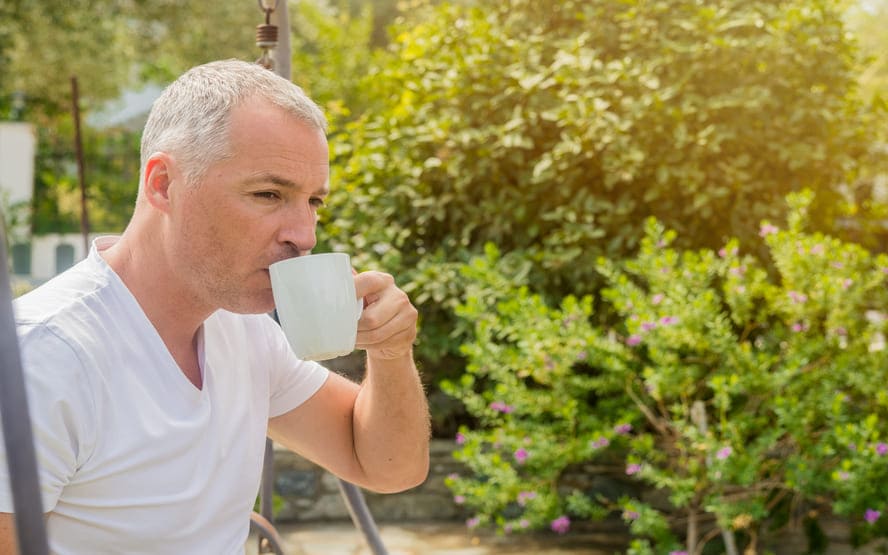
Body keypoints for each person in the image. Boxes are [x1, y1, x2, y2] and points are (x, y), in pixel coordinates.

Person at [0, 59, 430, 554]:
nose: (304, 235)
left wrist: (392, 352)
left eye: (313, 202)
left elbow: (388, 465)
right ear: (162, 184)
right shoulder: (41, 358)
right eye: (269, 194)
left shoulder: (244, 332)